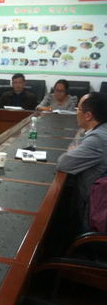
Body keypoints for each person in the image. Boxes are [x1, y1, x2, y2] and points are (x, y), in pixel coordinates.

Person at [58, 92, 107, 231]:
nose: (76, 112)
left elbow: (63, 163)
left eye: (78, 109)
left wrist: (72, 151)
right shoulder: (102, 129)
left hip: (94, 210)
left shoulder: (97, 139)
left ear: (88, 115)